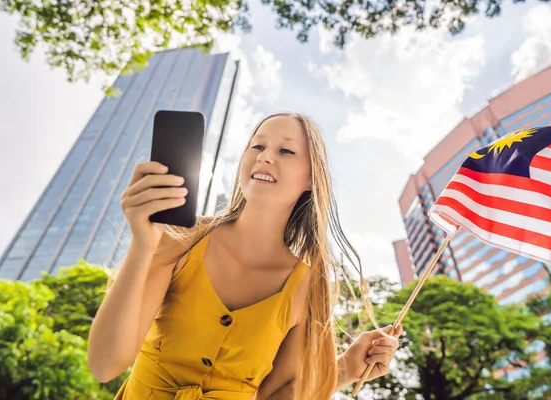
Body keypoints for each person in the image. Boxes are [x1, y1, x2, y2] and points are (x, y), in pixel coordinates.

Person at [87, 113, 403, 400]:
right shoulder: (179, 238)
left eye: (286, 151)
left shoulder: (310, 286)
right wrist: (143, 244)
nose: (265, 157)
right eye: (256, 146)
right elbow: (105, 365)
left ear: (311, 179)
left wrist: (345, 369)